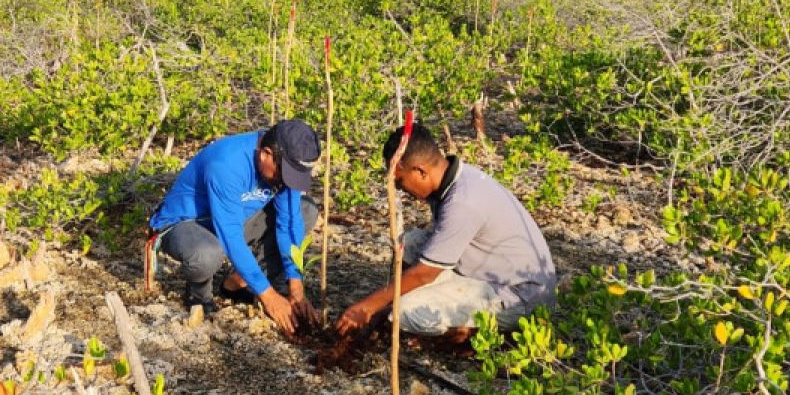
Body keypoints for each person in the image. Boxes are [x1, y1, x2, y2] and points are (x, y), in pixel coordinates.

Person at [336, 123, 556, 343]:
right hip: (488, 272)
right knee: (409, 243)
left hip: (519, 297)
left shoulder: (463, 201)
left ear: (420, 171)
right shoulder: (452, 180)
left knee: (406, 312)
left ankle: (475, 335)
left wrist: (369, 306)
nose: (399, 188)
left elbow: (425, 273)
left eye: (400, 181)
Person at [149, 119, 322, 335]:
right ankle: (199, 294)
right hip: (188, 223)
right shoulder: (226, 164)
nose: (286, 182)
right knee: (207, 254)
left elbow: (289, 223)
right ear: (266, 154)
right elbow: (230, 236)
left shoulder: (284, 162)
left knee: (306, 210)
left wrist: (296, 287)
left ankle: (237, 284)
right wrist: (269, 297)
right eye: (284, 174)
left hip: (236, 217)